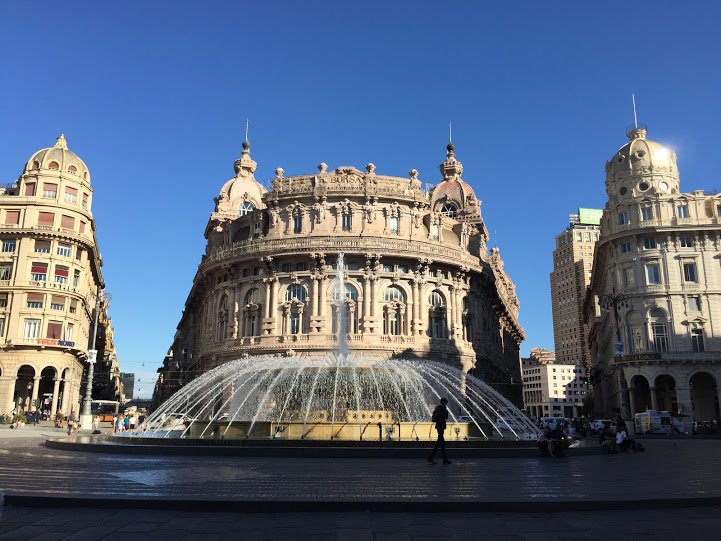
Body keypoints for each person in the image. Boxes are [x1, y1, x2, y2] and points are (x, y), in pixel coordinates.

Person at [427, 397, 451, 464]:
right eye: (446, 403)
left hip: (439, 426)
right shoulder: (441, 408)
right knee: (440, 443)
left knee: (441, 443)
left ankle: (443, 459)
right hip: (440, 426)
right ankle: (432, 458)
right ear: (443, 402)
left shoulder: (438, 408)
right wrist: (445, 410)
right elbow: (445, 416)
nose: (446, 404)